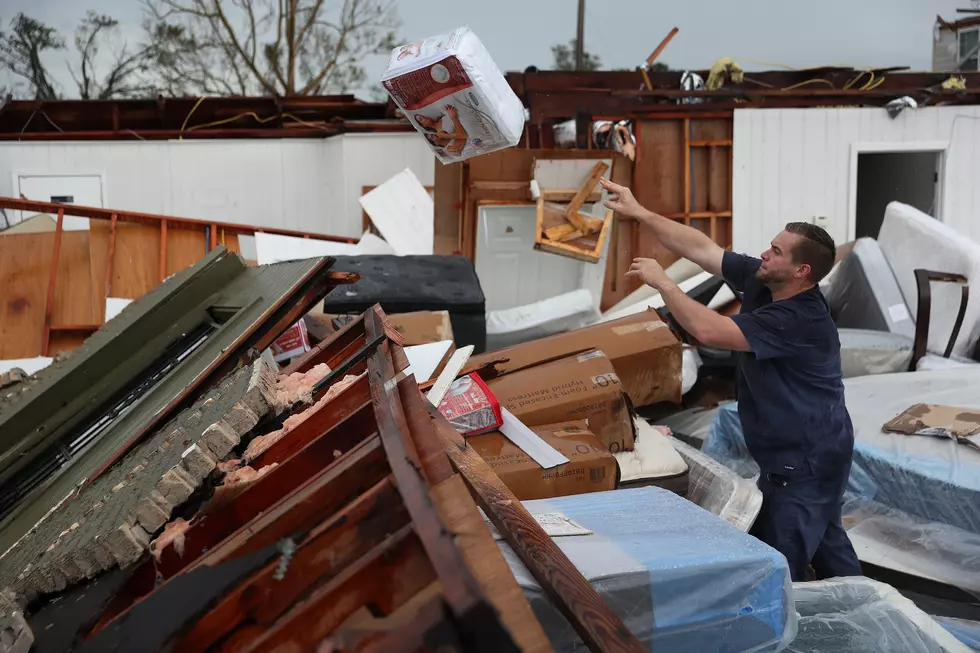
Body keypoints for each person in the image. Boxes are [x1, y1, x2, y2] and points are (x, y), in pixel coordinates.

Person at [599, 177, 862, 582]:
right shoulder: (767, 281)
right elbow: (702, 248)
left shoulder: (800, 318)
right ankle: (861, 615)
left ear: (800, 270)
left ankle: (779, 635)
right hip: (803, 452)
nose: (763, 254)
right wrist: (640, 212)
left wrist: (665, 284)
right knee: (829, 548)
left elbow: (710, 331)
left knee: (778, 564)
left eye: (775, 251)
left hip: (806, 460)